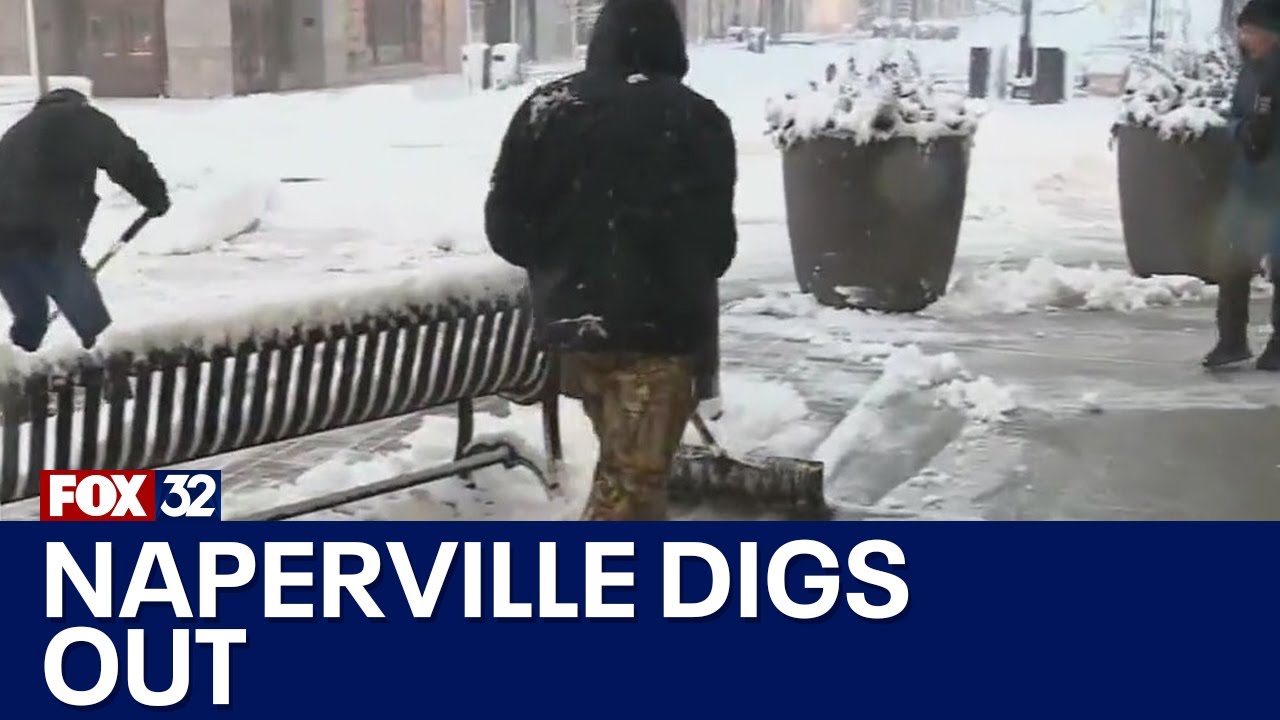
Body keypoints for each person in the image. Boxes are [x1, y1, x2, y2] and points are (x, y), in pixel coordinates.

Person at [485, 0, 738, 520]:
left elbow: (506, 228)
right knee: (629, 497)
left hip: (576, 332)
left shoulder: (546, 109)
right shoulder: (698, 119)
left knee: (627, 477)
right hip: (659, 336)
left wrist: (567, 261)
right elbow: (717, 247)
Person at [0, 87, 170, 353]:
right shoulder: (83, 119)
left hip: (3, 243)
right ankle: (112, 383)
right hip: (47, 236)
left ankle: (18, 384)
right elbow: (125, 159)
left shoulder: (17, 131)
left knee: (31, 320)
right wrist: (155, 196)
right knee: (92, 320)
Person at [1204, 0, 1280, 370]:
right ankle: (1231, 340)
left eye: (1250, 30)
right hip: (1250, 181)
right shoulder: (1250, 71)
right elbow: (1234, 115)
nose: (1244, 37)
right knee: (1233, 259)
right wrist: (1243, 130)